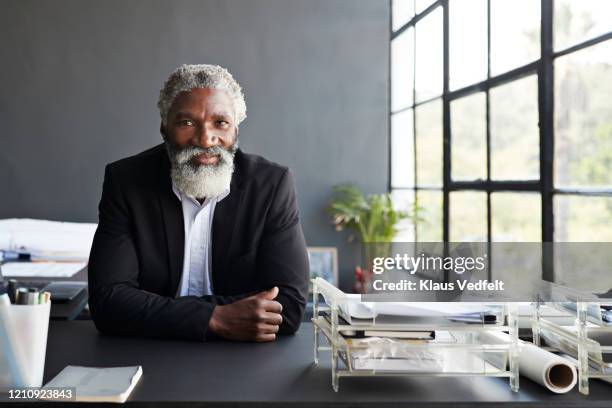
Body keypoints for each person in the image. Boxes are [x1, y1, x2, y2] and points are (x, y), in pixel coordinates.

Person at [88, 64, 309, 342]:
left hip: (243, 362)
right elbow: (108, 303)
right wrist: (214, 318)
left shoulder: (272, 186)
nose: (205, 139)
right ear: (164, 128)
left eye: (220, 123)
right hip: (149, 354)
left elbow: (287, 307)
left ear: (236, 131)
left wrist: (157, 310)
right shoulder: (126, 182)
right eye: (187, 123)